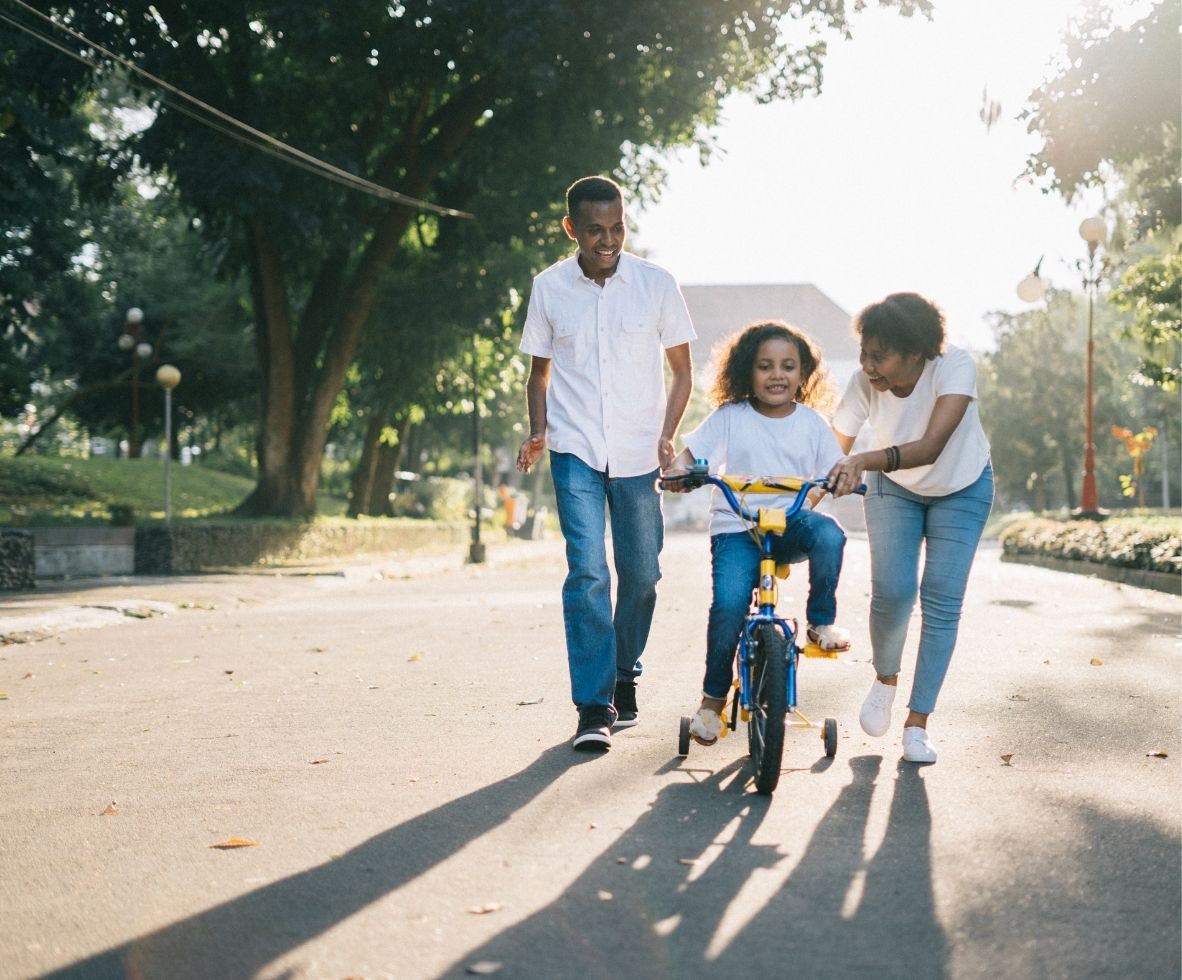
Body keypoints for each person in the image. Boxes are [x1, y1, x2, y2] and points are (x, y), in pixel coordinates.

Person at [516, 175, 696, 752]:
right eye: (595, 230)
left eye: (617, 227)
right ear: (572, 229)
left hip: (640, 453)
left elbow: (682, 372)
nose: (608, 239)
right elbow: (539, 373)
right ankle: (593, 706)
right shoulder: (548, 288)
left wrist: (668, 435)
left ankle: (624, 673)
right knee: (589, 571)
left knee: (642, 575)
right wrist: (539, 431)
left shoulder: (656, 284)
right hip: (574, 450)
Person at [827, 292, 993, 764]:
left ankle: (918, 724)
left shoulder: (954, 367)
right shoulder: (864, 383)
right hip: (894, 489)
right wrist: (804, 497)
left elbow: (932, 446)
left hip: (962, 486)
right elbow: (829, 451)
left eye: (879, 355)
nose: (867, 365)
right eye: (864, 352)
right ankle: (885, 679)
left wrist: (861, 459)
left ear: (916, 353)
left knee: (941, 597)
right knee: (894, 592)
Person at [666, 320, 849, 746]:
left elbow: (833, 471)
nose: (777, 375)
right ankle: (712, 702)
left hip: (789, 525)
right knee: (729, 606)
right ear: (748, 371)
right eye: (765, 366)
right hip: (737, 528)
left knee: (830, 535)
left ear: (803, 375)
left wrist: (837, 482)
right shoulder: (730, 417)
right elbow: (690, 456)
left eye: (788, 366)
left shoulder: (812, 423)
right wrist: (679, 471)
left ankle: (821, 623)